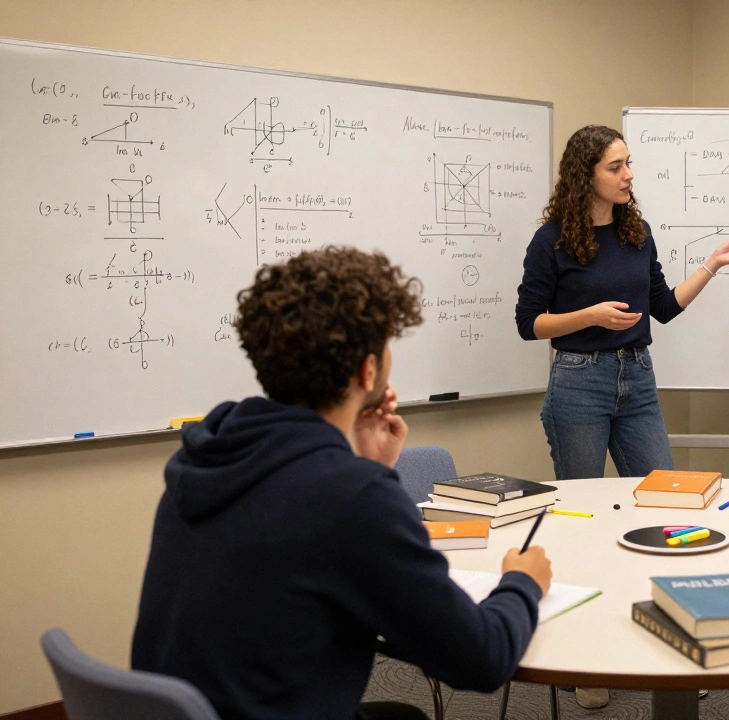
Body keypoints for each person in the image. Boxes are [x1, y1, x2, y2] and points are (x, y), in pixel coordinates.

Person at [131, 247, 554, 720]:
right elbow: (481, 659)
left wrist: (365, 465)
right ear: (367, 370)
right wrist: (522, 582)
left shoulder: (210, 452)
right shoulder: (349, 497)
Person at [516, 124, 729, 483]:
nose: (628, 175)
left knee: (663, 492)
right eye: (615, 167)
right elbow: (528, 324)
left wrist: (713, 264)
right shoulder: (551, 240)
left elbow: (662, 307)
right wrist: (590, 317)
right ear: (585, 176)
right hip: (580, 382)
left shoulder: (637, 232)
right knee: (584, 501)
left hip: (638, 377)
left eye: (628, 164)